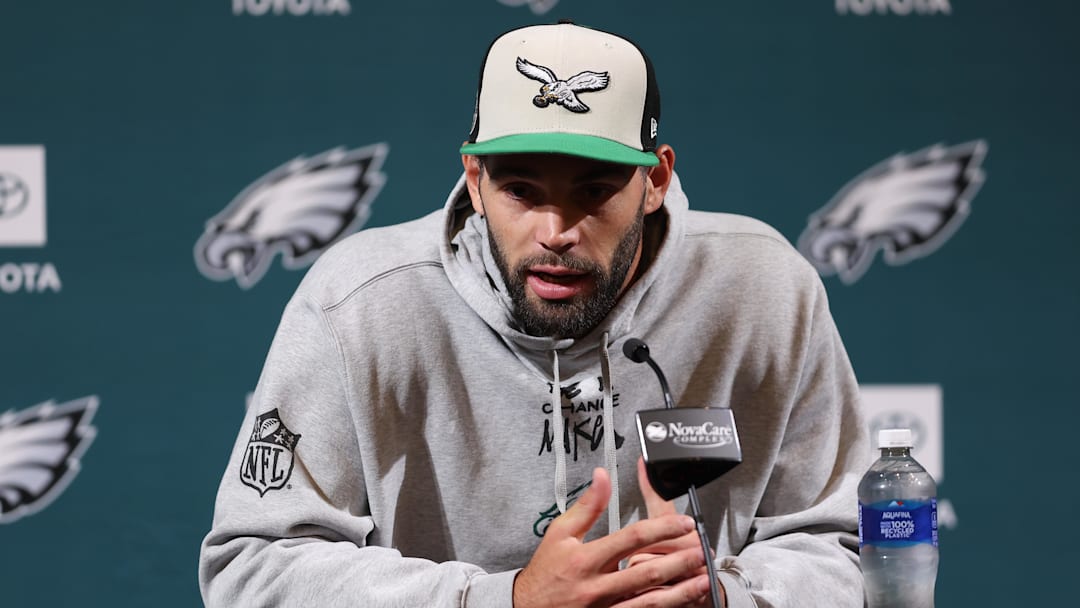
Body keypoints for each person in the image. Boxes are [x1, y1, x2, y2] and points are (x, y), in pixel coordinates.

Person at [199, 21, 870, 607]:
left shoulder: (761, 289)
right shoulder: (362, 301)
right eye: (521, 189)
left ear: (656, 181)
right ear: (474, 179)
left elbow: (849, 545)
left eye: (594, 190)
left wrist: (721, 595)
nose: (556, 230)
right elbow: (252, 567)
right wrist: (503, 600)